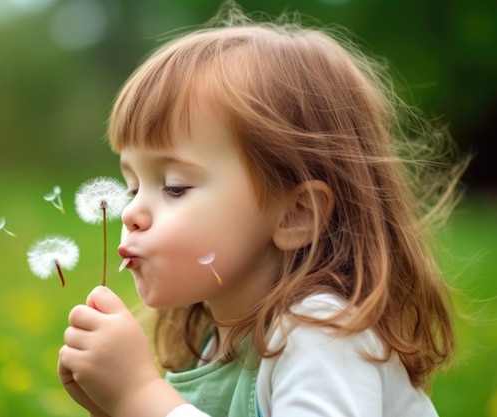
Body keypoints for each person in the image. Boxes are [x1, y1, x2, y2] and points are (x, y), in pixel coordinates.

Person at [57, 3, 468, 416]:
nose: (132, 214)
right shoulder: (218, 341)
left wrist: (140, 395)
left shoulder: (323, 333)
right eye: (132, 189)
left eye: (175, 188)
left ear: (296, 215)